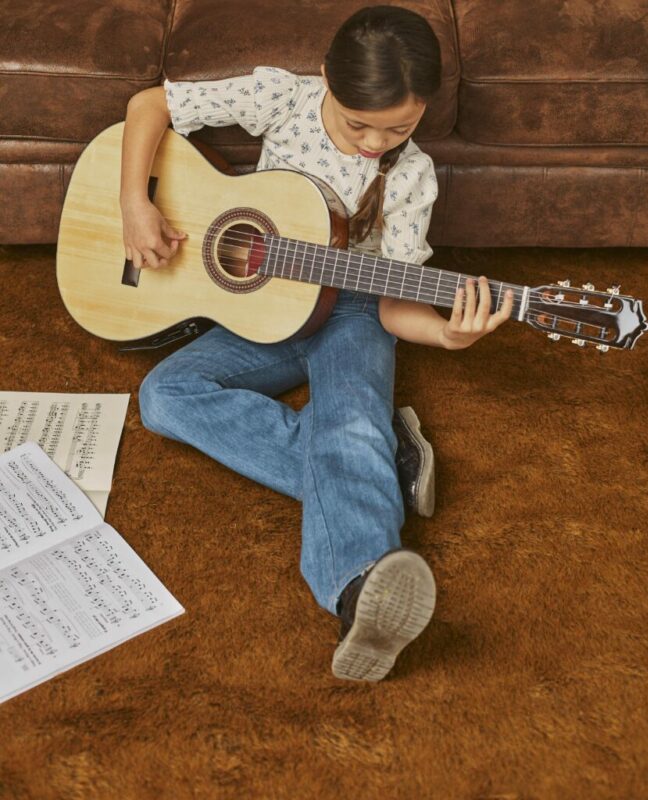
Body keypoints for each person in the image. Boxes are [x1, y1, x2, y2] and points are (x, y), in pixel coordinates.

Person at [119, 5, 513, 682]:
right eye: (357, 122)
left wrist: (446, 333)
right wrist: (135, 203)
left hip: (353, 312)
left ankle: (357, 588)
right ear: (326, 77)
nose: (372, 141)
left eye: (398, 127)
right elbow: (148, 103)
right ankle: (379, 465)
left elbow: (393, 306)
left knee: (350, 414)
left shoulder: (411, 176)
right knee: (163, 396)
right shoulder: (283, 95)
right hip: (259, 312)